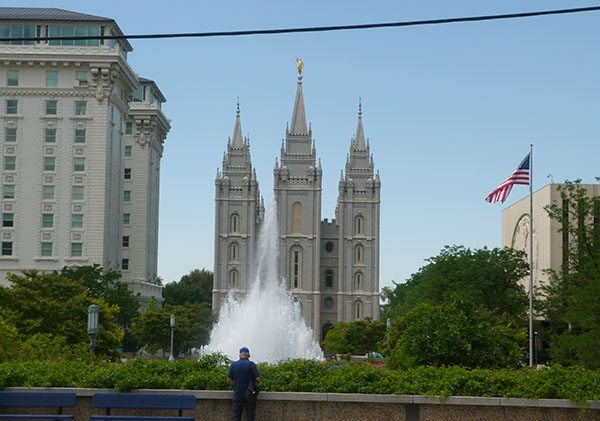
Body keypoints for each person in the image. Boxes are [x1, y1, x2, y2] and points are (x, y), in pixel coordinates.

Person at [227, 346, 261, 421]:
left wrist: (237, 381)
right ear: (248, 355)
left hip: (237, 394)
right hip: (250, 395)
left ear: (240, 355)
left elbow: (229, 379)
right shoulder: (251, 364)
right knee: (250, 416)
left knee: (236, 416)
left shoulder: (234, 365)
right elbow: (258, 379)